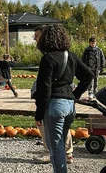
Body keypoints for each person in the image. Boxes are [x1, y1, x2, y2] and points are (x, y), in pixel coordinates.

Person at [35, 24, 93, 173]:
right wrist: (74, 94)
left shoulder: (48, 59)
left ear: (46, 39)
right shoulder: (71, 56)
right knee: (61, 142)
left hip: (55, 106)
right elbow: (88, 75)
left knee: (56, 147)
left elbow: (44, 89)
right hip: (69, 106)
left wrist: (38, 114)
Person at [32, 25, 74, 165]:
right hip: (65, 100)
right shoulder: (63, 54)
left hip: (53, 101)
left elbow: (46, 87)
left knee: (52, 132)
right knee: (61, 127)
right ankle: (65, 153)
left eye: (37, 36)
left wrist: (39, 110)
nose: (35, 39)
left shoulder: (50, 57)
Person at [82, 36, 106, 101]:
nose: (93, 44)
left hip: (96, 68)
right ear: (90, 43)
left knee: (96, 81)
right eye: (92, 43)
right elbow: (83, 59)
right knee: (90, 81)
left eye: (94, 43)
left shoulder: (99, 50)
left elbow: (102, 58)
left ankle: (95, 92)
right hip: (89, 68)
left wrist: (102, 66)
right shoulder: (87, 50)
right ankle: (90, 92)